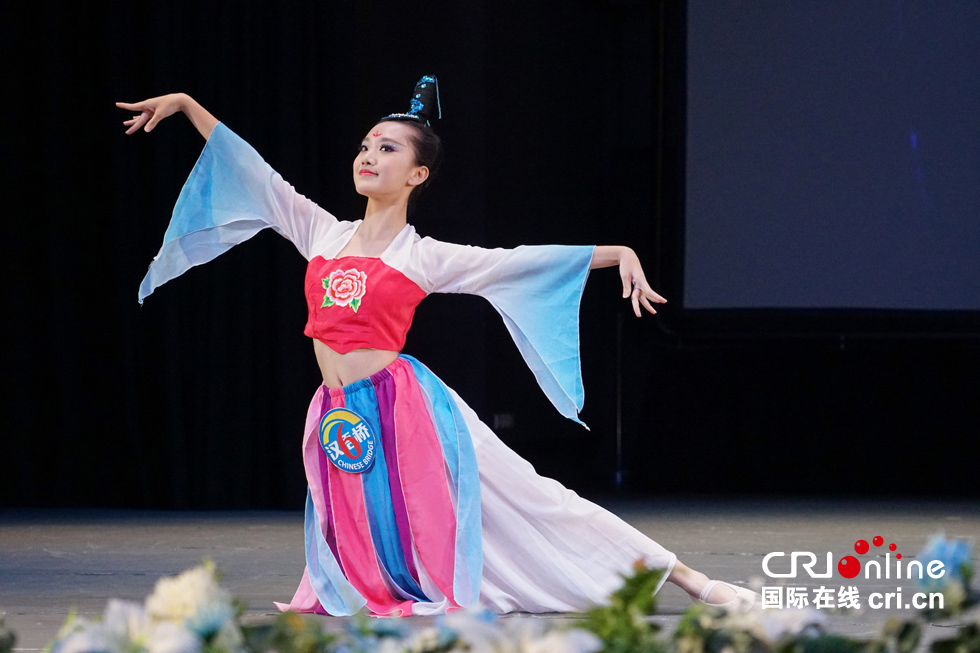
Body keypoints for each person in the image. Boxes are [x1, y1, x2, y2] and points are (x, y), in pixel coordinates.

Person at [115, 75, 757, 617]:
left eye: (387, 148)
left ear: (417, 173)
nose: (368, 156)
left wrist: (618, 253)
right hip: (339, 411)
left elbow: (515, 263)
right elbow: (252, 173)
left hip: (407, 410)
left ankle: (692, 580)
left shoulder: (422, 256)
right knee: (367, 528)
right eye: (365, 145)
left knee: (532, 496)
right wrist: (187, 106)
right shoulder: (321, 233)